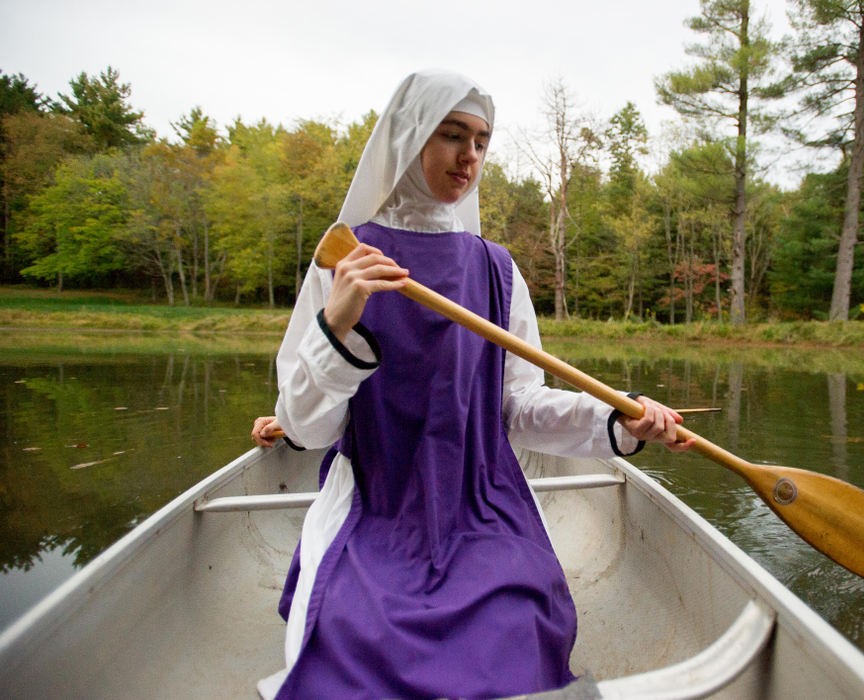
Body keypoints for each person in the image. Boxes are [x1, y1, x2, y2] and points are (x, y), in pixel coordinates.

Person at [253, 69, 692, 700]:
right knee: (356, 635)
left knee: (517, 617)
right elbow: (306, 427)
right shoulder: (347, 259)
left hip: (481, 502)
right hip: (380, 502)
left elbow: (519, 405)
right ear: (408, 140)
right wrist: (336, 325)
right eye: (453, 135)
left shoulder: (496, 268)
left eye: (482, 141)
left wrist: (614, 421)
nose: (470, 156)